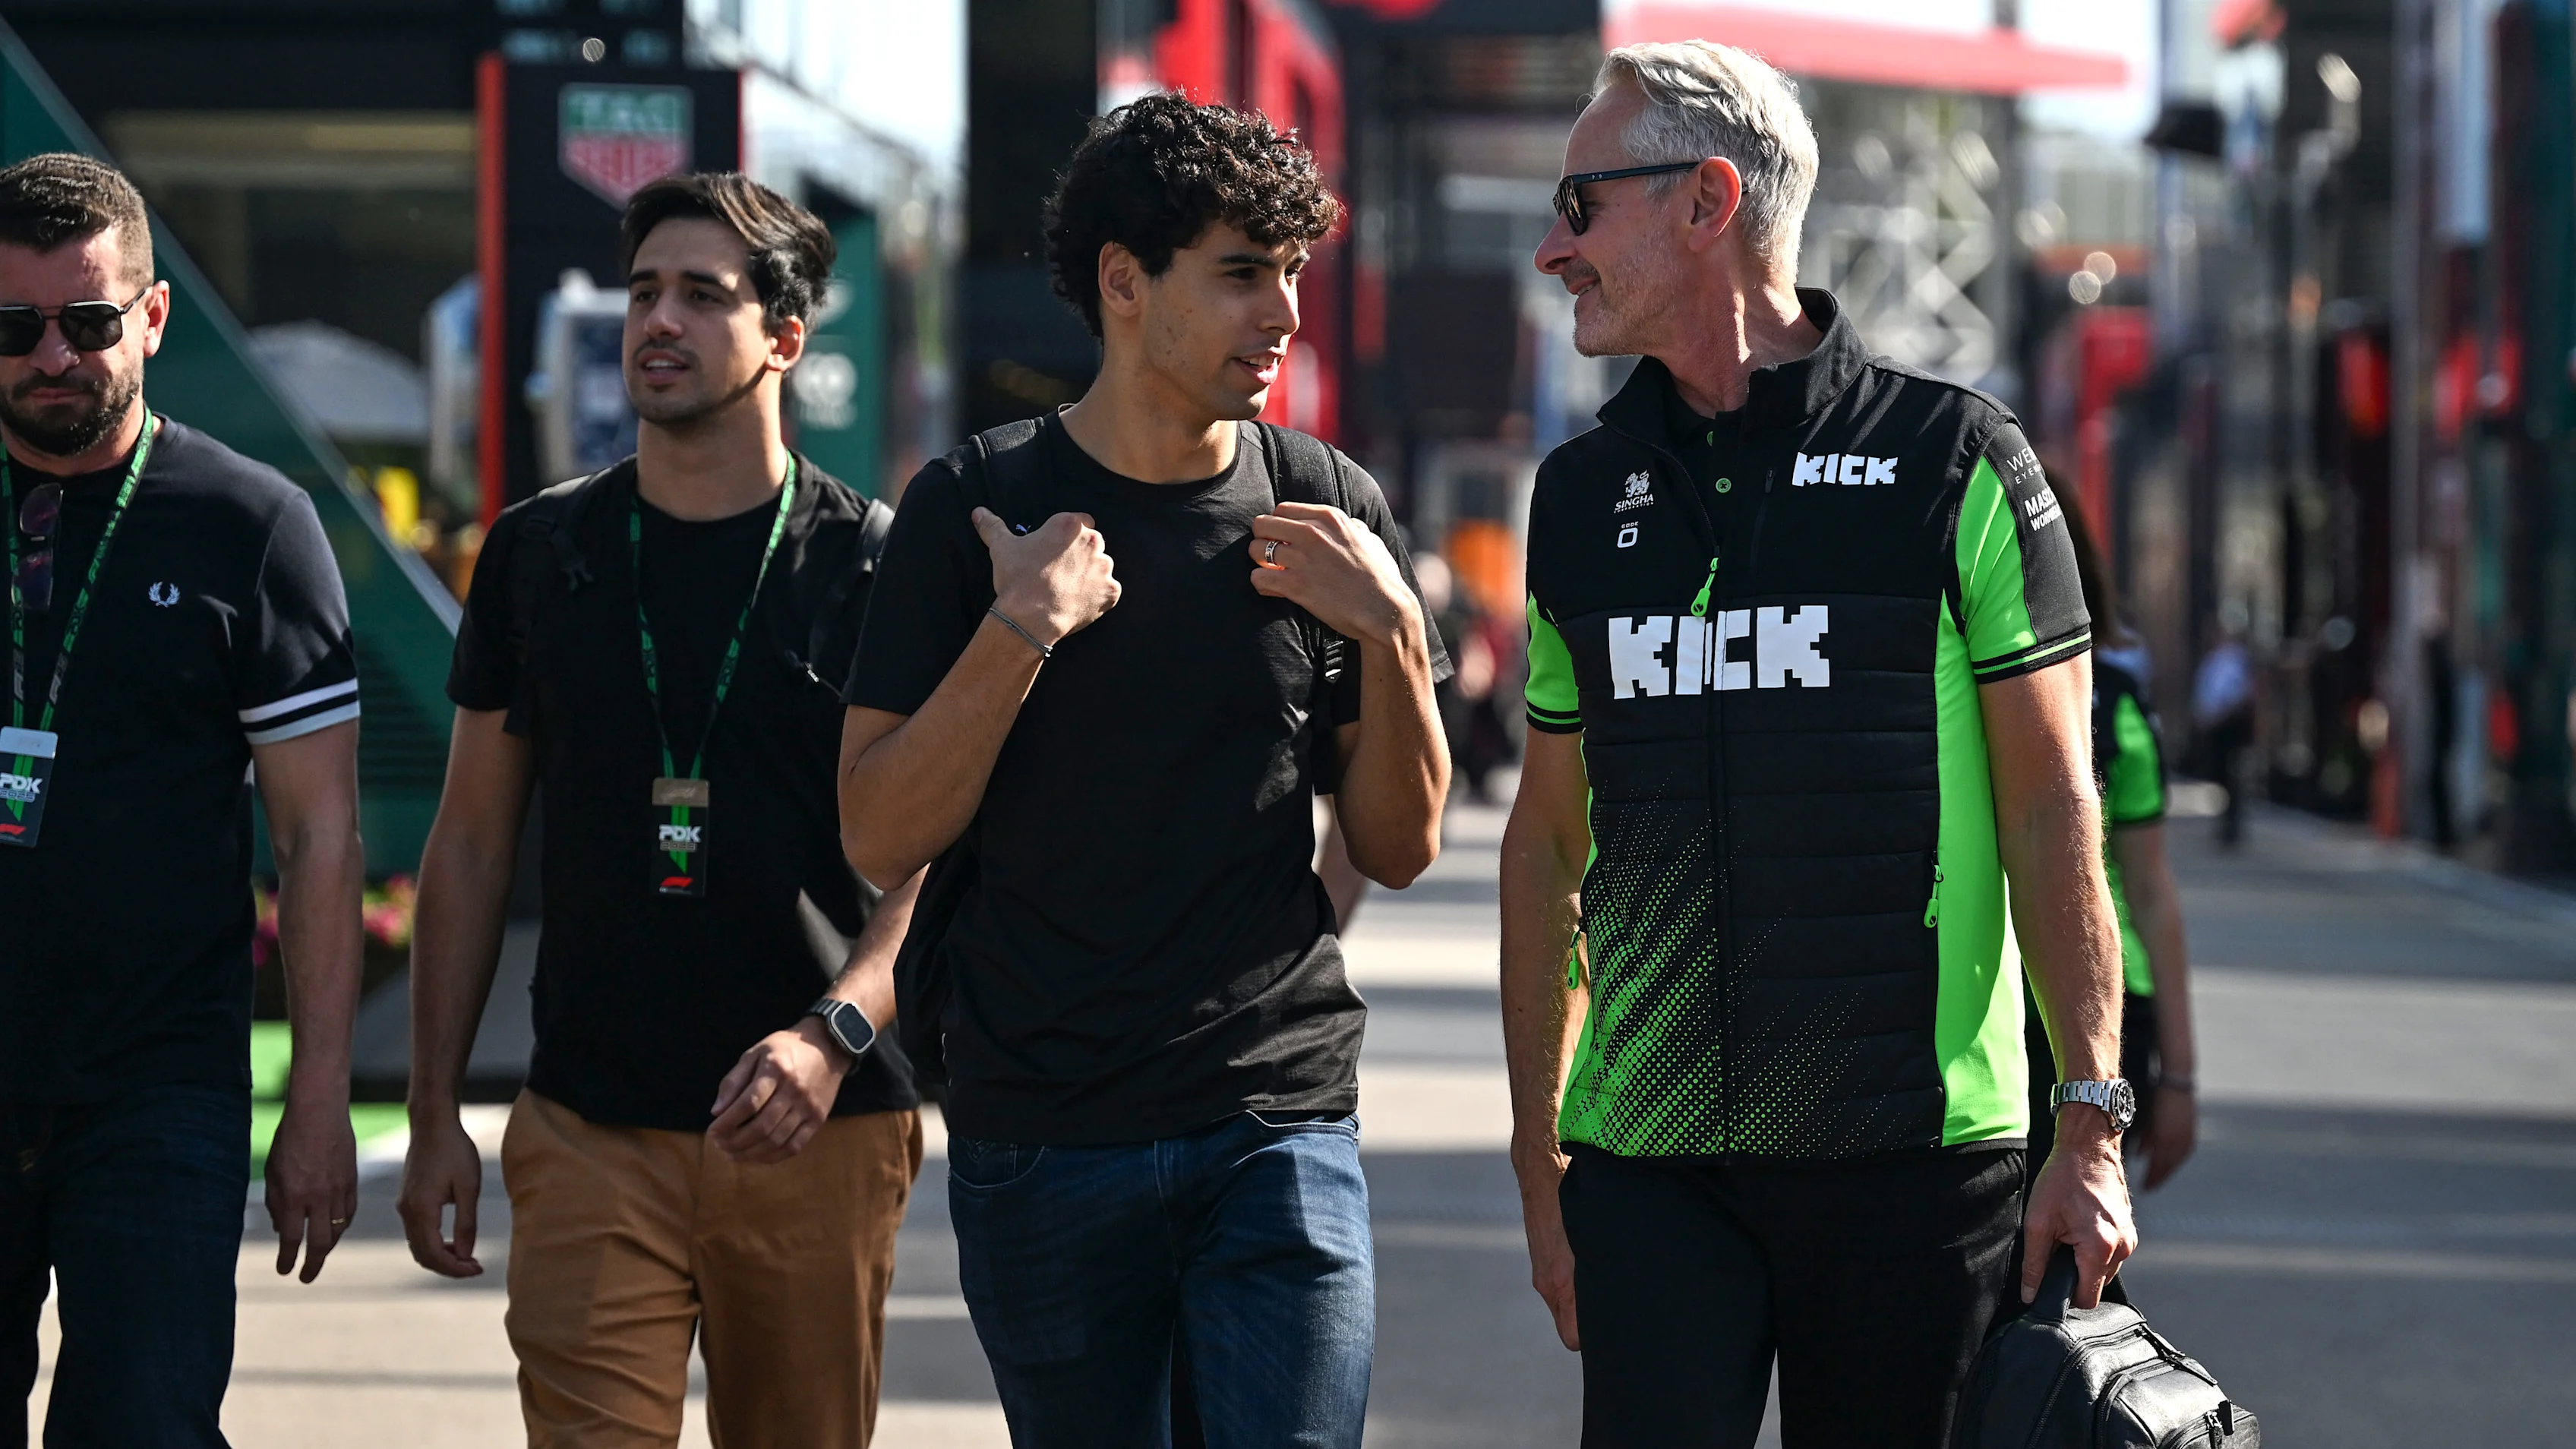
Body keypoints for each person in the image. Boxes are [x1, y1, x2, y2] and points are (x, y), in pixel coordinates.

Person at [1499, 43, 2139, 1447]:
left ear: (1706, 201)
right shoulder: (1580, 494)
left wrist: (2089, 1125)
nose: (1553, 249)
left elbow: (2052, 809)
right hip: (1650, 1167)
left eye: (1580, 206)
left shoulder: (1955, 460)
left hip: (1918, 1166)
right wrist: (1542, 1166)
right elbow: (1545, 842)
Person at [838, 94, 1451, 1448]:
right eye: (1241, 274)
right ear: (1125, 282)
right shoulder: (976, 508)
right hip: (1044, 1132)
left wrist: (1393, 632)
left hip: (1274, 1113)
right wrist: (1020, 628)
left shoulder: (1328, 506)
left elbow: (1399, 845)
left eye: (1292, 272)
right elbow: (878, 830)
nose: (1284, 314)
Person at [397, 172, 921, 1447]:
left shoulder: (876, 564)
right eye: (642, 293)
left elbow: (939, 856)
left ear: (784, 336)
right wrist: (431, 1112)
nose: (658, 322)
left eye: (701, 294)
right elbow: (469, 844)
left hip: (816, 1125)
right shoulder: (538, 554)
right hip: (590, 1124)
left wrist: (834, 1033)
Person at [0, 153, 364, 1446]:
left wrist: (317, 1097)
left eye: (90, 320)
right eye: (16, 326)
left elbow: (320, 836)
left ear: (152, 317)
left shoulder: (250, 524)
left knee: (145, 1424)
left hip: (158, 1084)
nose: (54, 355)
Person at [2028, 498, 2197, 1190]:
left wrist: (2181, 1077)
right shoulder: (2121, 699)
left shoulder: (2119, 702)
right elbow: (2152, 891)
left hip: (2105, 1007)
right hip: (2055, 1007)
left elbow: (2151, 889)